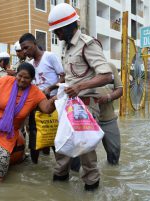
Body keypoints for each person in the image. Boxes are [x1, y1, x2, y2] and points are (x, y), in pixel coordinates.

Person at [48, 3, 112, 191]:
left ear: (68, 27)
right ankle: (58, 185)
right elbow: (71, 77)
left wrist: (79, 87)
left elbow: (106, 75)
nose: (56, 35)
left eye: (58, 31)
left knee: (87, 154)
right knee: (62, 146)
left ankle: (91, 188)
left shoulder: (87, 44)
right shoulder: (66, 48)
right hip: (70, 106)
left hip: (86, 106)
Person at [19, 33, 65, 164]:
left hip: (53, 103)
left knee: (56, 137)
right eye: (23, 49)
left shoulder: (50, 57)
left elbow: (64, 77)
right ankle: (35, 169)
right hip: (36, 104)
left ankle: (61, 167)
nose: (24, 51)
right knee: (34, 136)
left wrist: (50, 88)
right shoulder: (30, 64)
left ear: (34, 43)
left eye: (26, 48)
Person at [97, 63, 122, 165]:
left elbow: (120, 90)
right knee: (79, 156)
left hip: (108, 117)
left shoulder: (110, 66)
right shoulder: (81, 67)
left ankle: (112, 174)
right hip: (86, 119)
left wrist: (108, 97)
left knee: (114, 153)